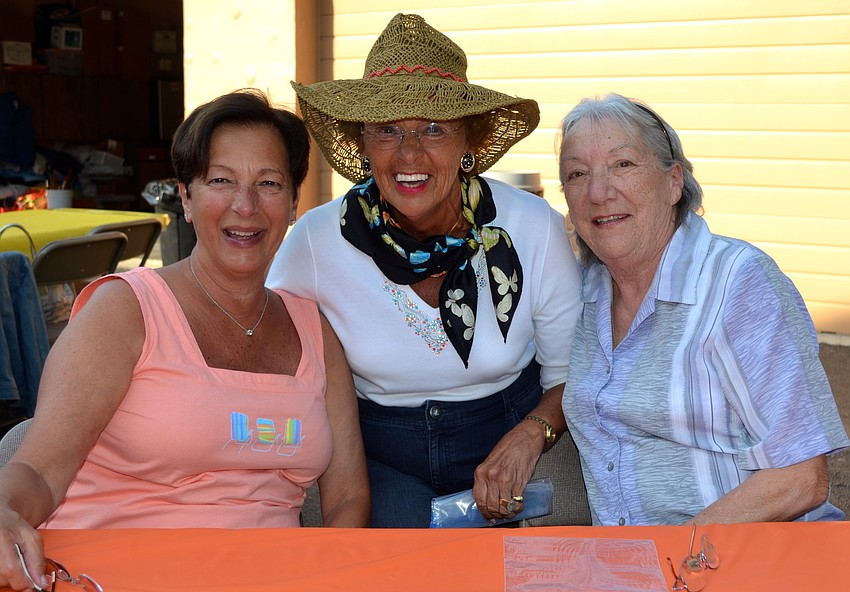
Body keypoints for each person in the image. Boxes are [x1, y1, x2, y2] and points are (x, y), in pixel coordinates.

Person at [0, 89, 369, 591]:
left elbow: (348, 496)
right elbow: (39, 469)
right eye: (221, 181)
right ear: (187, 197)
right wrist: (4, 510)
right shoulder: (125, 311)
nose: (245, 205)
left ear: (293, 203)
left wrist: (325, 575)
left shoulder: (315, 330)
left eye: (269, 183)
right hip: (112, 576)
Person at [266, 13, 582, 527]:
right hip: (380, 454)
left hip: (515, 432)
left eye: (435, 129)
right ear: (363, 144)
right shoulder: (317, 242)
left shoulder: (533, 228)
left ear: (468, 142)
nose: (410, 154)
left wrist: (532, 435)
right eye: (388, 131)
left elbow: (572, 375)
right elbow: (261, 336)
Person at [557, 92, 850, 526]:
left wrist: (674, 558)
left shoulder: (738, 282)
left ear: (674, 181)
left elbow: (801, 477)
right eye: (577, 174)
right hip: (635, 561)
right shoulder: (586, 289)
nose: (599, 192)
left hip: (743, 558)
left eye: (624, 164)